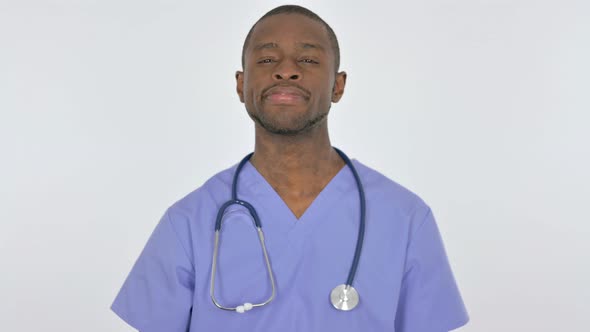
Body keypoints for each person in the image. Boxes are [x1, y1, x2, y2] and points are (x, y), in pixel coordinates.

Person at [111, 4, 469, 332]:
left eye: (308, 60)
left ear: (338, 85)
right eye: (267, 60)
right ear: (241, 84)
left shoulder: (404, 219)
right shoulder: (189, 222)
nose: (286, 70)